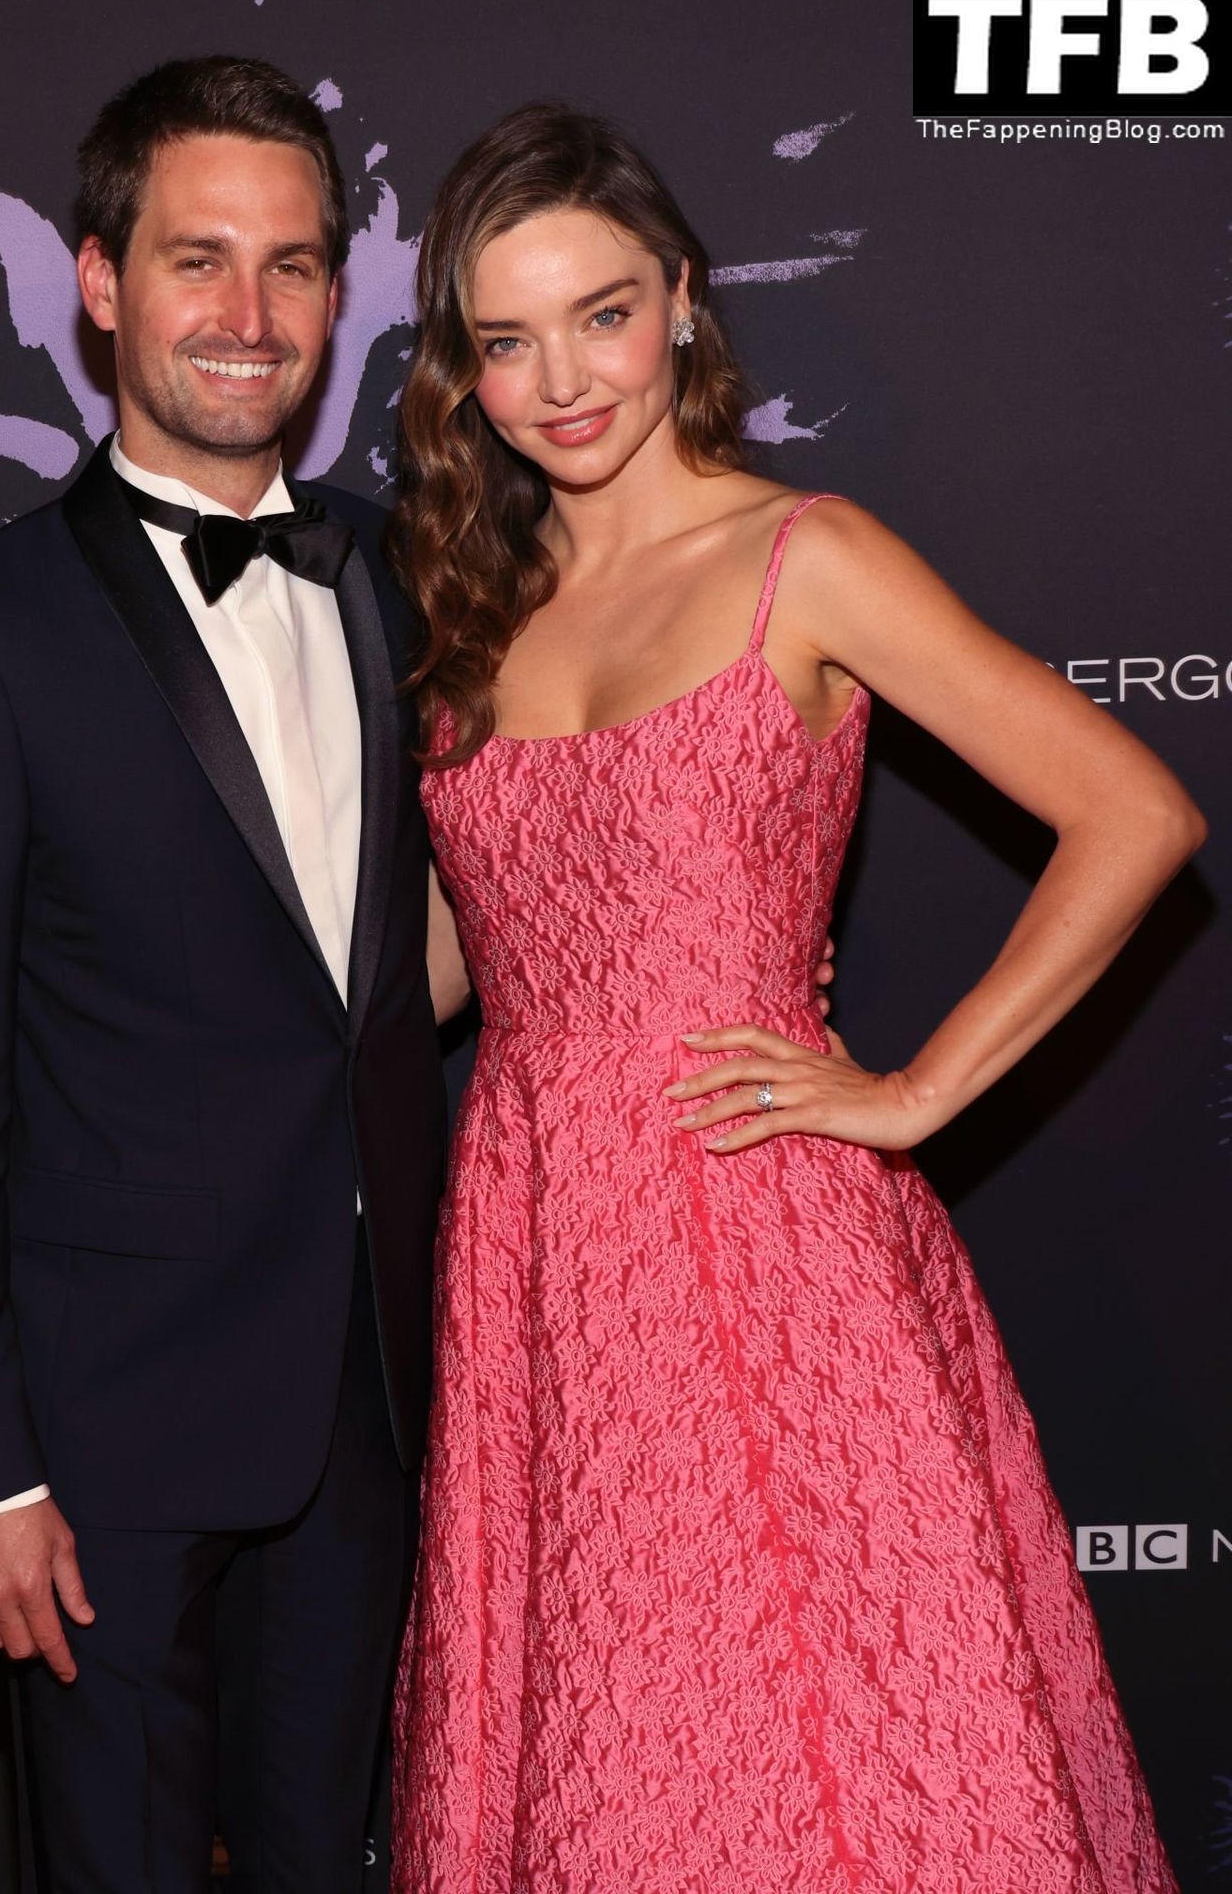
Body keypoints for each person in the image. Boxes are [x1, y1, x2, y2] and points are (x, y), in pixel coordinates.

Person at [391, 103, 1197, 1893]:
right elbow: (449, 964)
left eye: (603, 314)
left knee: (819, 1734)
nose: (561, 382)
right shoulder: (475, 608)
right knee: (612, 1746)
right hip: (537, 1248)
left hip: (758, 1230)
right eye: (507, 342)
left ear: (681, 298)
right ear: (465, 370)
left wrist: (915, 1092)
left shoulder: (804, 556)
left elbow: (1134, 814)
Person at [0, 56, 451, 1892]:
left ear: (338, 293)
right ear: (100, 281)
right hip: (97, 1442)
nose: (248, 315)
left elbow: (389, 975)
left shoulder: (399, 587)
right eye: (199, 259)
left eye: (291, 264)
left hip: (367, 1406)